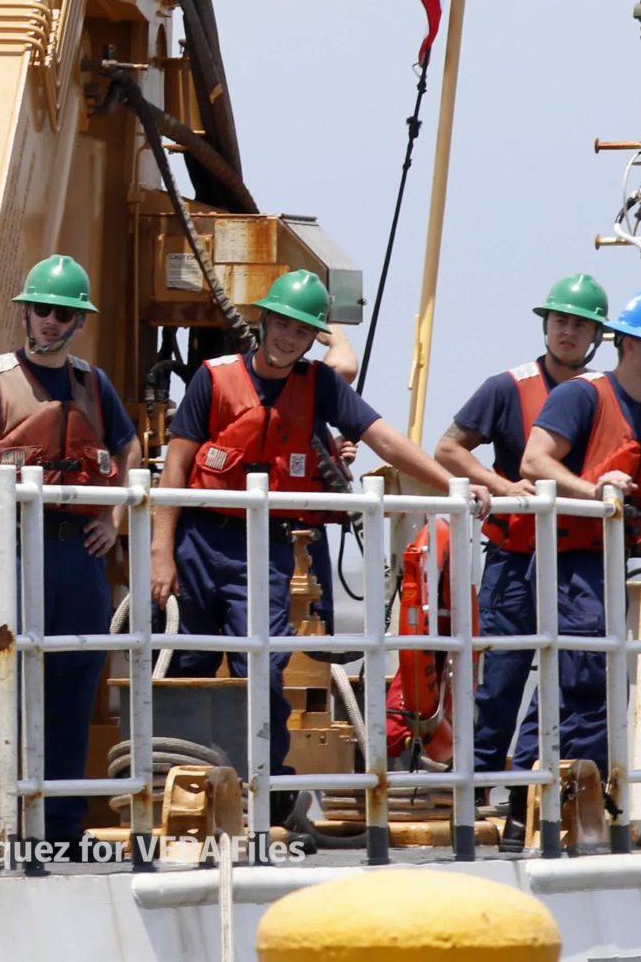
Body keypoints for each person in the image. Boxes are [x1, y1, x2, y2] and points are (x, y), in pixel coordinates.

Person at [152, 269, 488, 783]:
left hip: (266, 547)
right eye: (282, 324)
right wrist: (162, 552)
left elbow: (384, 438)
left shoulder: (320, 385)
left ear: (313, 339)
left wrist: (450, 485)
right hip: (201, 538)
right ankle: (172, 778)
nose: (288, 337)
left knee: (262, 667)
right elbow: (176, 466)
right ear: (264, 321)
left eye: (302, 331)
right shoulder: (214, 378)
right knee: (184, 663)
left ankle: (262, 783)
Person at [0, 255, 141, 846]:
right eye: (42, 310)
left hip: (79, 564)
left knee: (72, 685)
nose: (50, 322)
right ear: (26, 313)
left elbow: (130, 448)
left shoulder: (94, 385)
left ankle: (61, 829)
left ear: (78, 321)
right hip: (12, 558)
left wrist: (111, 518)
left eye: (62, 313)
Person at [507, 288, 641, 829]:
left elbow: (638, 495)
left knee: (579, 683)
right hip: (571, 562)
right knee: (585, 681)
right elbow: (534, 461)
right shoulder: (583, 396)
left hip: (607, 564)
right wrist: (594, 492)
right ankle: (551, 799)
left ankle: (538, 798)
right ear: (630, 345)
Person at [434, 273, 607, 785]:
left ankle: (529, 778)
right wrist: (502, 485)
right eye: (560, 322)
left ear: (596, 336)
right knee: (501, 679)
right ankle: (482, 784)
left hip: (579, 562)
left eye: (579, 325)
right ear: (545, 327)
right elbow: (448, 448)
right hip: (515, 559)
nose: (567, 332)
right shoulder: (507, 387)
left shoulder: (603, 395)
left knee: (573, 675)